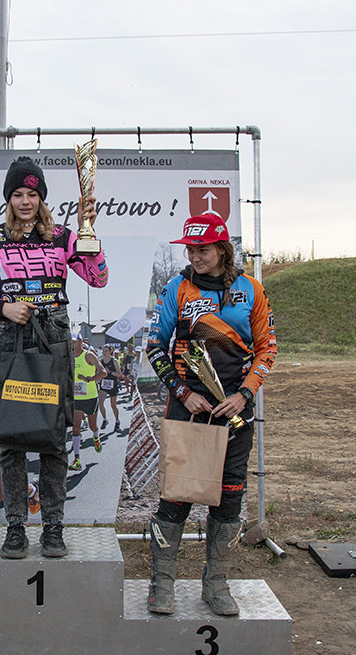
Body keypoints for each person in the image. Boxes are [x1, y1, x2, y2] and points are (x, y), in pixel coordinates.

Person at [0, 156, 108, 559]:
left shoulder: (63, 237)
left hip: (54, 335)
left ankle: (54, 527)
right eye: (18, 194)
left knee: (53, 435)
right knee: (11, 436)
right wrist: (1, 308)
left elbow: (98, 277)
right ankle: (14, 527)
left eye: (33, 193)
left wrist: (90, 232)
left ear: (42, 197)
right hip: (9, 339)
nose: (26, 201)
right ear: (9, 198)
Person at [144, 213, 276, 616]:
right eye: (190, 249)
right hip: (190, 409)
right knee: (176, 497)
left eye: (202, 249)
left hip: (234, 410)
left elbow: (268, 349)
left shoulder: (251, 289)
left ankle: (216, 583)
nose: (195, 256)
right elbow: (154, 347)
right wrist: (183, 393)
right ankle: (161, 583)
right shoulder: (176, 289)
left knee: (229, 499)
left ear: (222, 249)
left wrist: (245, 393)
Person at [70, 333, 107, 471]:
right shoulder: (68, 357)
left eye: (73, 342)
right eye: (70, 342)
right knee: (75, 427)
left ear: (80, 342)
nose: (71, 344)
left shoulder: (89, 356)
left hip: (90, 397)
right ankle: (77, 459)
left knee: (92, 426)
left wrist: (88, 379)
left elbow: (103, 373)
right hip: (76, 398)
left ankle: (96, 437)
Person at [97, 344, 124, 432]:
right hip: (104, 384)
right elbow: (98, 372)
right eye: (103, 351)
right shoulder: (100, 361)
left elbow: (119, 375)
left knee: (113, 405)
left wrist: (110, 372)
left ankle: (117, 421)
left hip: (112, 384)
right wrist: (97, 378)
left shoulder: (114, 361)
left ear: (110, 351)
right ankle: (105, 419)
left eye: (106, 351)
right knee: (100, 402)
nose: (104, 353)